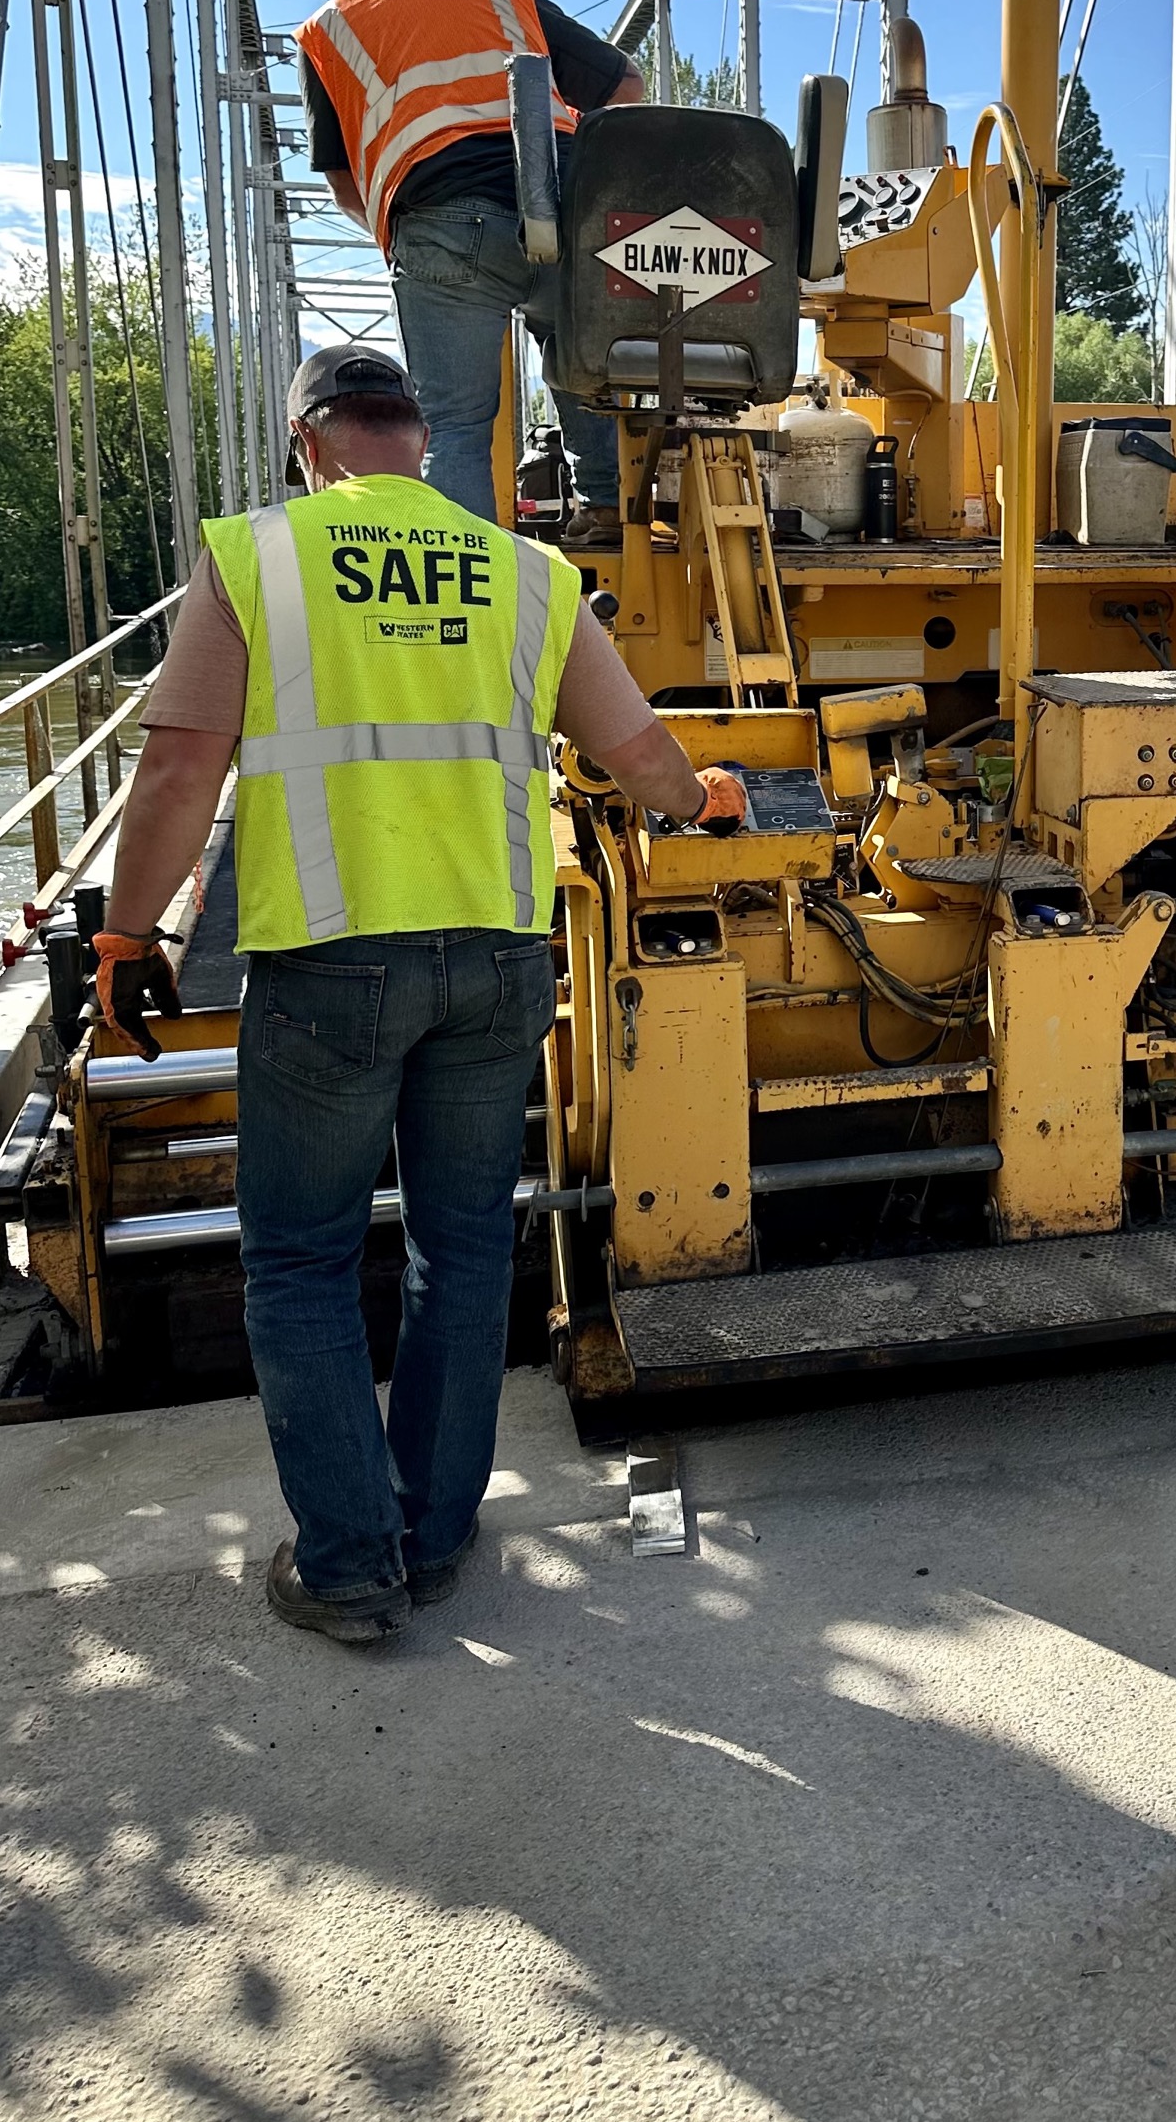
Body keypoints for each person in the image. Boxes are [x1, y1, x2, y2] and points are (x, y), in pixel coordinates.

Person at [93, 346, 742, 1647]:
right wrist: (705, 800)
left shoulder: (258, 557)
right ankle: (435, 1536)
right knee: (459, 1254)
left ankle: (345, 1564)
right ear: (419, 447)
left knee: (301, 1262)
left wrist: (123, 941)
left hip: (329, 967)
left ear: (306, 445)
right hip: (497, 964)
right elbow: (640, 755)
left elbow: (175, 780)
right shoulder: (529, 572)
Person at [296, 0, 642, 524]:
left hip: (441, 222)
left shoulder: (328, 27)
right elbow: (626, 86)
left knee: (456, 426)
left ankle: (475, 587)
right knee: (584, 373)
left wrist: (408, 244)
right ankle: (607, 511)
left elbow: (346, 187)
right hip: (565, 211)